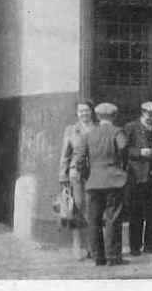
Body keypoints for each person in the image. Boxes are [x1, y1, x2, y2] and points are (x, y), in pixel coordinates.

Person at [76, 102, 129, 266]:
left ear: (97, 116)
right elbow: (124, 148)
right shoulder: (117, 132)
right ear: (114, 116)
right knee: (113, 219)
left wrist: (88, 175)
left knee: (94, 220)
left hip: (93, 182)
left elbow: (79, 160)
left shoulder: (88, 135)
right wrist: (121, 169)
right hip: (114, 180)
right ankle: (113, 257)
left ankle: (98, 257)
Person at [124, 101, 152, 256]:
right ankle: (135, 247)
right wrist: (139, 152)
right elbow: (123, 150)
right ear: (142, 113)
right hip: (136, 175)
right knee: (135, 212)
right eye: (149, 115)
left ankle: (151, 245)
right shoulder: (131, 127)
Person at [59, 99, 97, 261]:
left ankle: (91, 246)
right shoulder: (71, 130)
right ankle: (77, 245)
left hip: (94, 174)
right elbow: (65, 155)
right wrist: (63, 176)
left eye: (86, 110)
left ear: (92, 111)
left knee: (92, 209)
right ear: (77, 113)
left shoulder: (98, 128)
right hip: (76, 175)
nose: (84, 113)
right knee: (77, 209)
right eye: (81, 111)